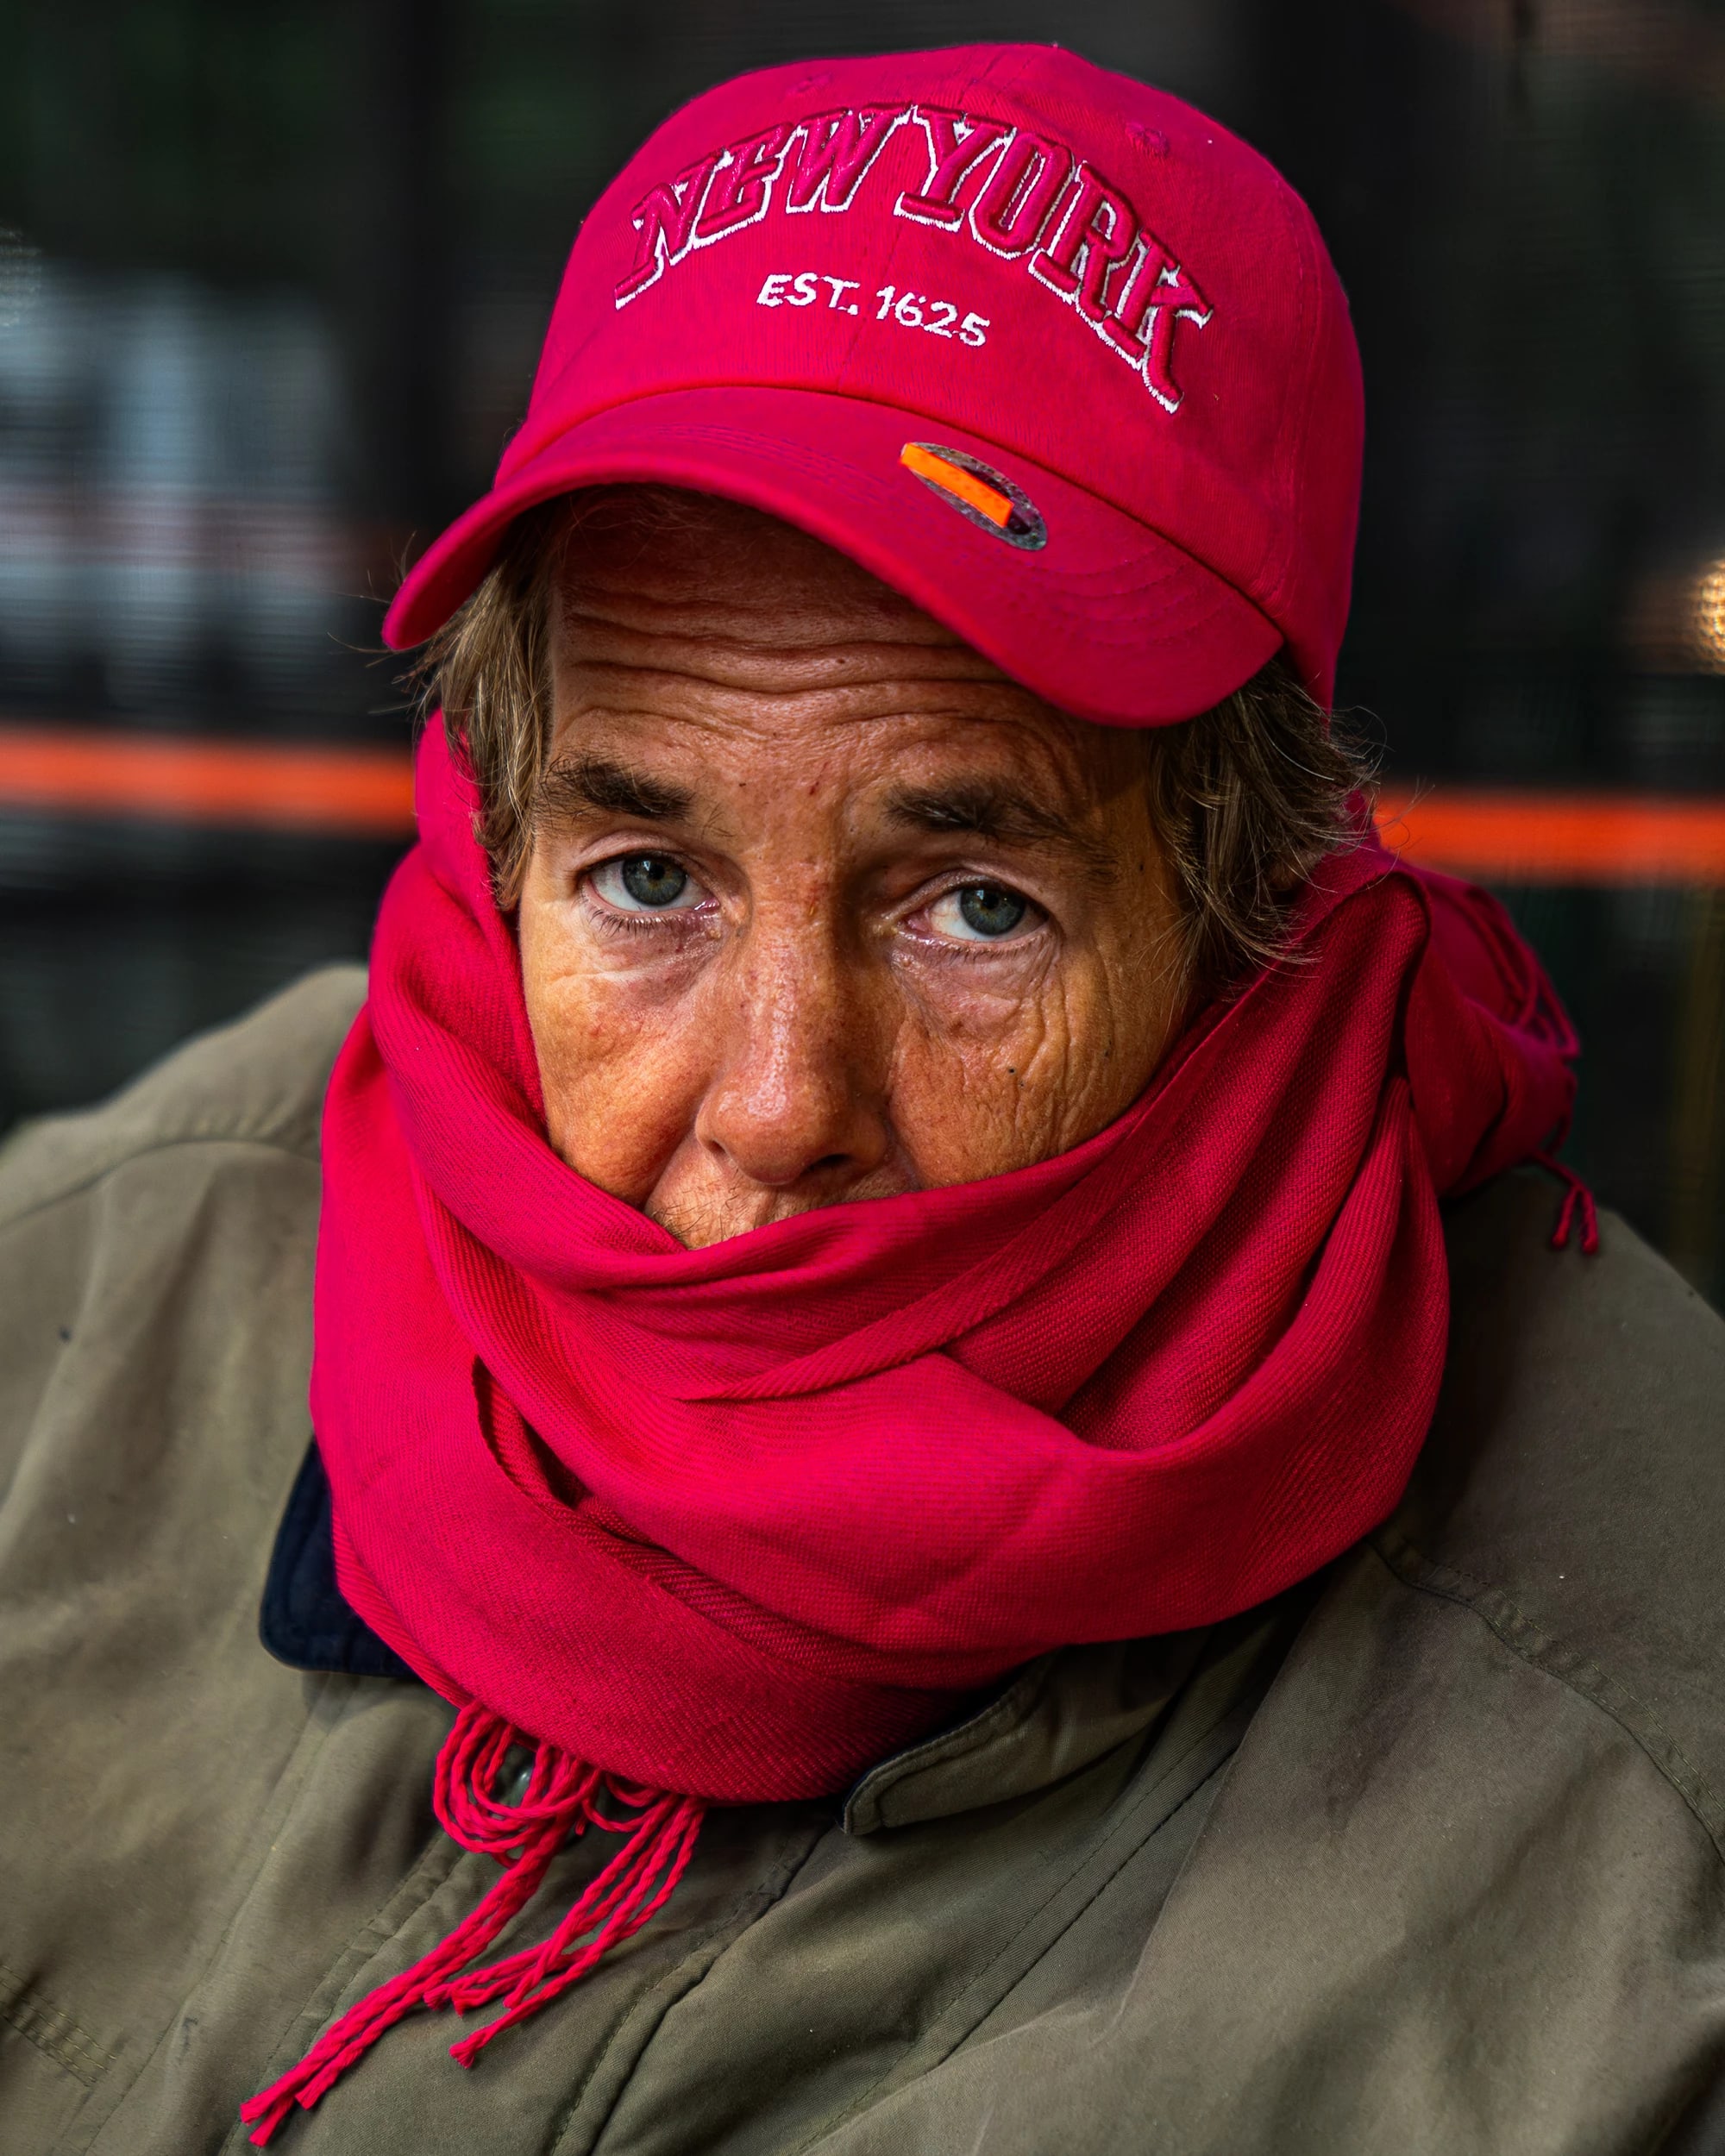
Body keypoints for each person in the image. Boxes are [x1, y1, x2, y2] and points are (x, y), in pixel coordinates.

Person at [0, 41, 1720, 2156]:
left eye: (973, 903)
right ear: (498, 833)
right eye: (646, 877)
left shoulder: (1643, 1788)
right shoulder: (79, 1298)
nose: (777, 1100)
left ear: (1249, 888)